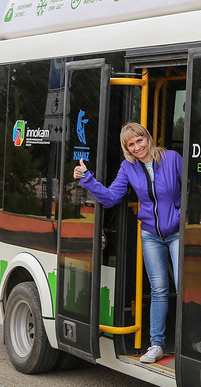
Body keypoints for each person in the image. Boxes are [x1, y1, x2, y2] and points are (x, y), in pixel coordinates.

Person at [73, 122, 182, 363]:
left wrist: (179, 214)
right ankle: (156, 345)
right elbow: (111, 198)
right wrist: (87, 179)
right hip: (151, 235)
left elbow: (190, 189)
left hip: (177, 233)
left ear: (147, 138)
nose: (137, 147)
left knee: (184, 285)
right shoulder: (128, 167)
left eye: (139, 140)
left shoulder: (172, 158)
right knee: (159, 289)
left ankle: (193, 342)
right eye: (130, 144)